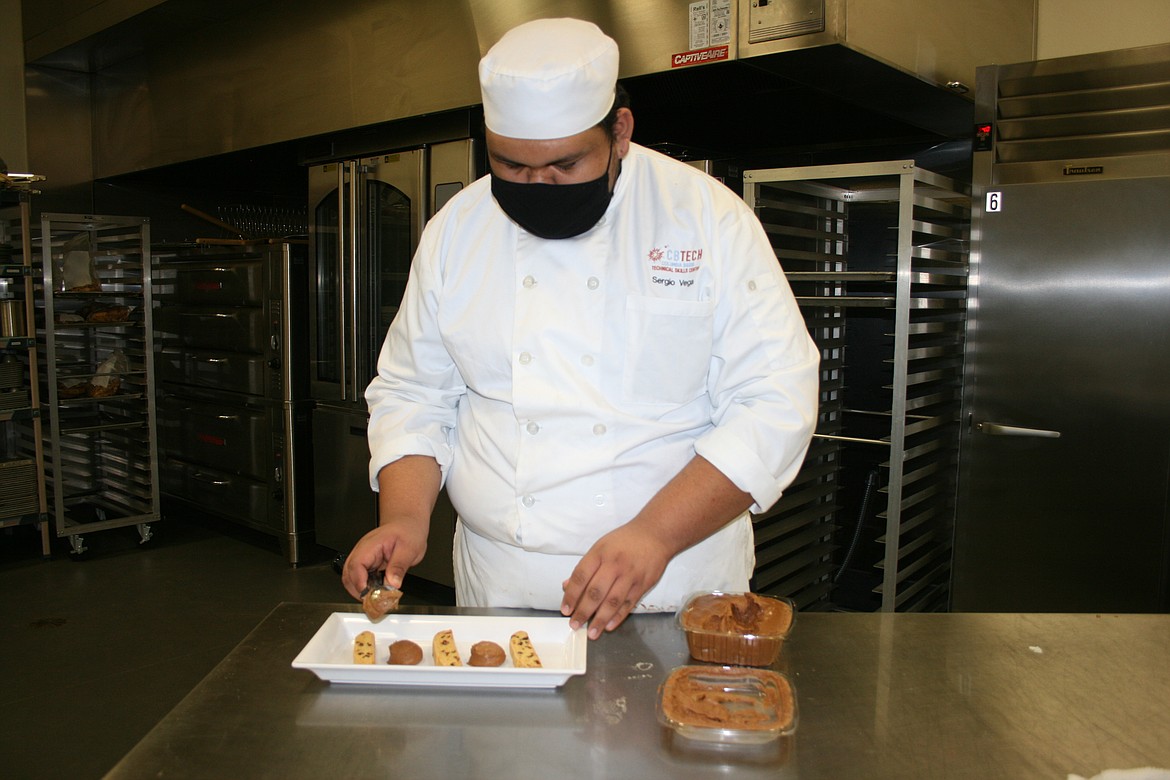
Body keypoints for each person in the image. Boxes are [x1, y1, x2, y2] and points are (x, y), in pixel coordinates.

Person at [342, 17, 819, 639]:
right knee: (506, 742)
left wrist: (655, 534)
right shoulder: (456, 231)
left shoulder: (705, 219)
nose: (538, 186)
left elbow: (774, 402)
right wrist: (403, 517)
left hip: (671, 581)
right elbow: (414, 393)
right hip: (501, 586)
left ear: (619, 132)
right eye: (511, 166)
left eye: (565, 164)